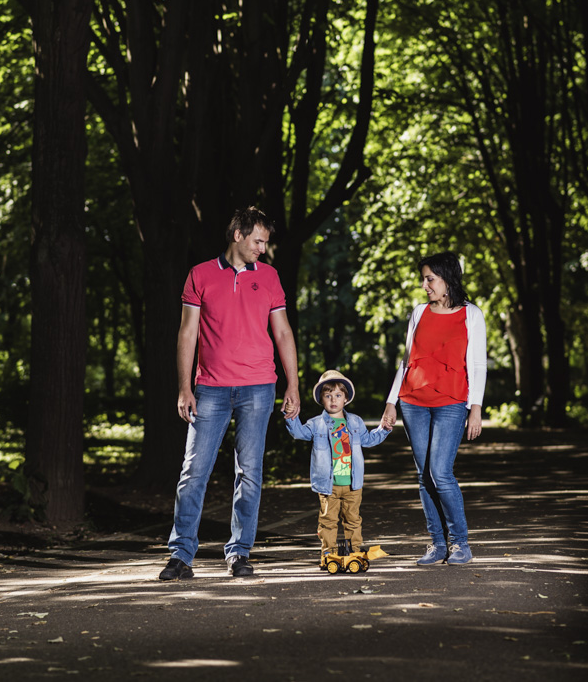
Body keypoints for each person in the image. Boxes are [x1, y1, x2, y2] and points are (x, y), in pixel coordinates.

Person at [159, 207, 300, 581]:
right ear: (237, 234)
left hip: (258, 387)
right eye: (258, 241)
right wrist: (184, 386)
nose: (263, 249)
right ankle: (181, 555)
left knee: (250, 473)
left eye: (266, 243)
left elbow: (283, 332)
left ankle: (239, 553)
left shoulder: (269, 277)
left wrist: (293, 384)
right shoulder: (200, 275)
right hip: (210, 389)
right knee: (194, 472)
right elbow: (187, 333)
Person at [381, 251, 487, 566]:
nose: (425, 285)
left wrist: (476, 407)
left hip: (452, 402)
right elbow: (407, 359)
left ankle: (461, 544)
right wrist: (391, 401)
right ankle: (438, 544)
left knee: (440, 472)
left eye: (430, 279)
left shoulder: (471, 314)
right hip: (413, 402)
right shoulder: (419, 312)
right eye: (424, 279)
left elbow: (478, 364)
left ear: (447, 278)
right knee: (423, 475)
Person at [285, 370, 390, 563]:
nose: (333, 400)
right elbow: (298, 433)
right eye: (328, 395)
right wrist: (290, 415)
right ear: (321, 399)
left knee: (353, 520)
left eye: (338, 395)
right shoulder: (316, 424)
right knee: (328, 521)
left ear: (346, 398)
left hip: (352, 484)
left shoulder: (355, 421)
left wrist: (384, 429)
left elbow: (368, 440)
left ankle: (354, 551)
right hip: (328, 484)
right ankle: (328, 552)